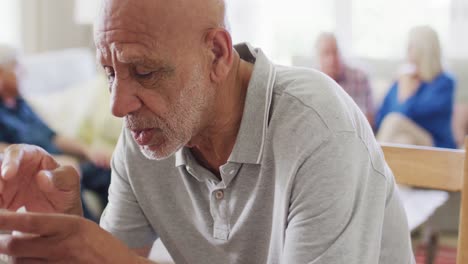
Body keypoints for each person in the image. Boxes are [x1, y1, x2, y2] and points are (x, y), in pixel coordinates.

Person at [0, 0, 414, 263]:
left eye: (143, 71)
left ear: (217, 54)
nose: (117, 104)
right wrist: (59, 238)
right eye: (109, 72)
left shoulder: (319, 129)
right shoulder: (146, 133)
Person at [0, 44, 111, 221]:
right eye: (16, 67)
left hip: (66, 162)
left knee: (108, 172)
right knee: (67, 180)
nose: (23, 73)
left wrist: (88, 151)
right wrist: (50, 162)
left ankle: (113, 232)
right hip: (41, 170)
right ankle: (91, 234)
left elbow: (54, 136)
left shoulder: (21, 104)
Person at [375, 26, 456, 149]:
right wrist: (402, 86)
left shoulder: (444, 83)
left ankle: (372, 164)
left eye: (411, 46)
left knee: (395, 120)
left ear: (424, 50)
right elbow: (380, 119)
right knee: (404, 140)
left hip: (435, 144)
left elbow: (414, 116)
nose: (407, 51)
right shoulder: (403, 80)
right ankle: (377, 165)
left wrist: (405, 96)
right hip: (408, 141)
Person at [316, 32, 375, 124]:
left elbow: (369, 119)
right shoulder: (313, 82)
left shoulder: (360, 78)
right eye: (326, 53)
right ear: (318, 58)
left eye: (335, 52)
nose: (332, 59)